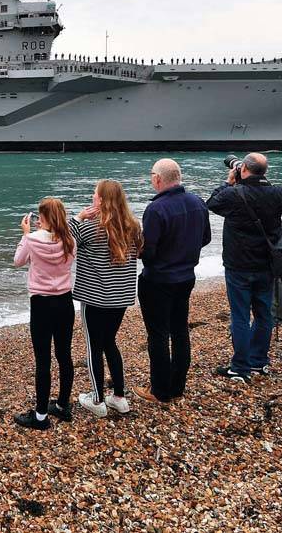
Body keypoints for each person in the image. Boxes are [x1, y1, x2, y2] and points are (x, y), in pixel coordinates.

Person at [206, 153, 282, 384]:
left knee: (240, 315)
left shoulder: (234, 195)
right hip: (267, 264)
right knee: (264, 313)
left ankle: (240, 367)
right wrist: (254, 179)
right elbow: (269, 195)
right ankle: (258, 360)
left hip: (239, 265)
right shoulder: (281, 194)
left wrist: (229, 181)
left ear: (242, 169)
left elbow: (212, 203)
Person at [134, 159, 211, 405]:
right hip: (186, 276)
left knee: (157, 335)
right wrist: (183, 251)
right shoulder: (198, 203)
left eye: (151, 176)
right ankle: (177, 386)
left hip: (158, 279)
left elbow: (150, 252)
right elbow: (206, 238)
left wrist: (139, 248)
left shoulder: (156, 209)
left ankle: (160, 390)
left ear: (158, 179)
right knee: (179, 331)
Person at [69, 180, 143, 417]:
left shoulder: (89, 227)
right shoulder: (133, 227)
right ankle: (119, 396)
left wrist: (77, 217)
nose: (92, 197)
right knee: (110, 342)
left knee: (94, 347)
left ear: (100, 200)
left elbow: (63, 243)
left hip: (94, 298)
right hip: (120, 297)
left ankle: (97, 399)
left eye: (94, 194)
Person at [12, 198, 77, 430]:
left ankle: (40, 416)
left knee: (43, 359)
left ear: (45, 218)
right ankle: (62, 405)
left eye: (40, 216)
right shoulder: (70, 241)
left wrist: (25, 233)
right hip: (65, 302)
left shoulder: (31, 240)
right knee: (64, 355)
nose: (38, 220)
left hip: (41, 304)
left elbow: (18, 261)